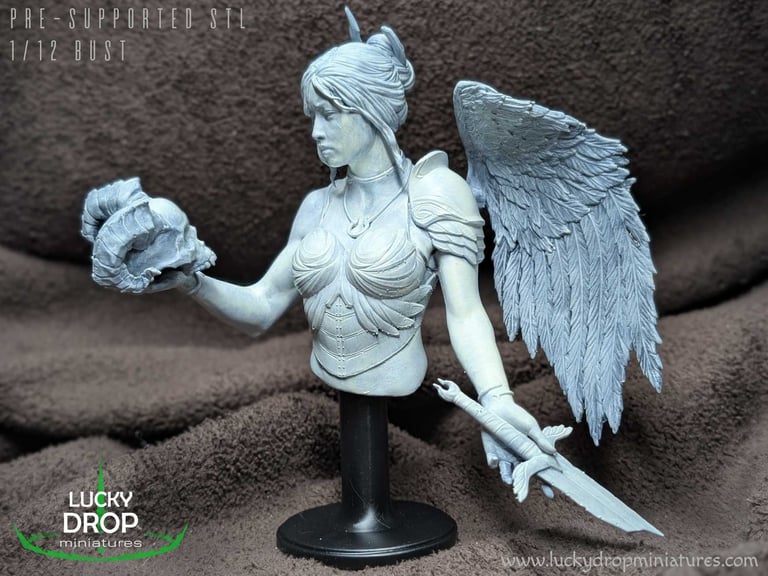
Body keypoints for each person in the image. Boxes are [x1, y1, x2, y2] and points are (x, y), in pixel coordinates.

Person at [157, 21, 555, 473]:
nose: (315, 131)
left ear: (371, 109)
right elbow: (262, 305)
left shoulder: (434, 192)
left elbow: (465, 312)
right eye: (313, 116)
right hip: (329, 367)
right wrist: (192, 282)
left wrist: (496, 398)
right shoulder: (317, 206)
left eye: (330, 114)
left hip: (398, 373)